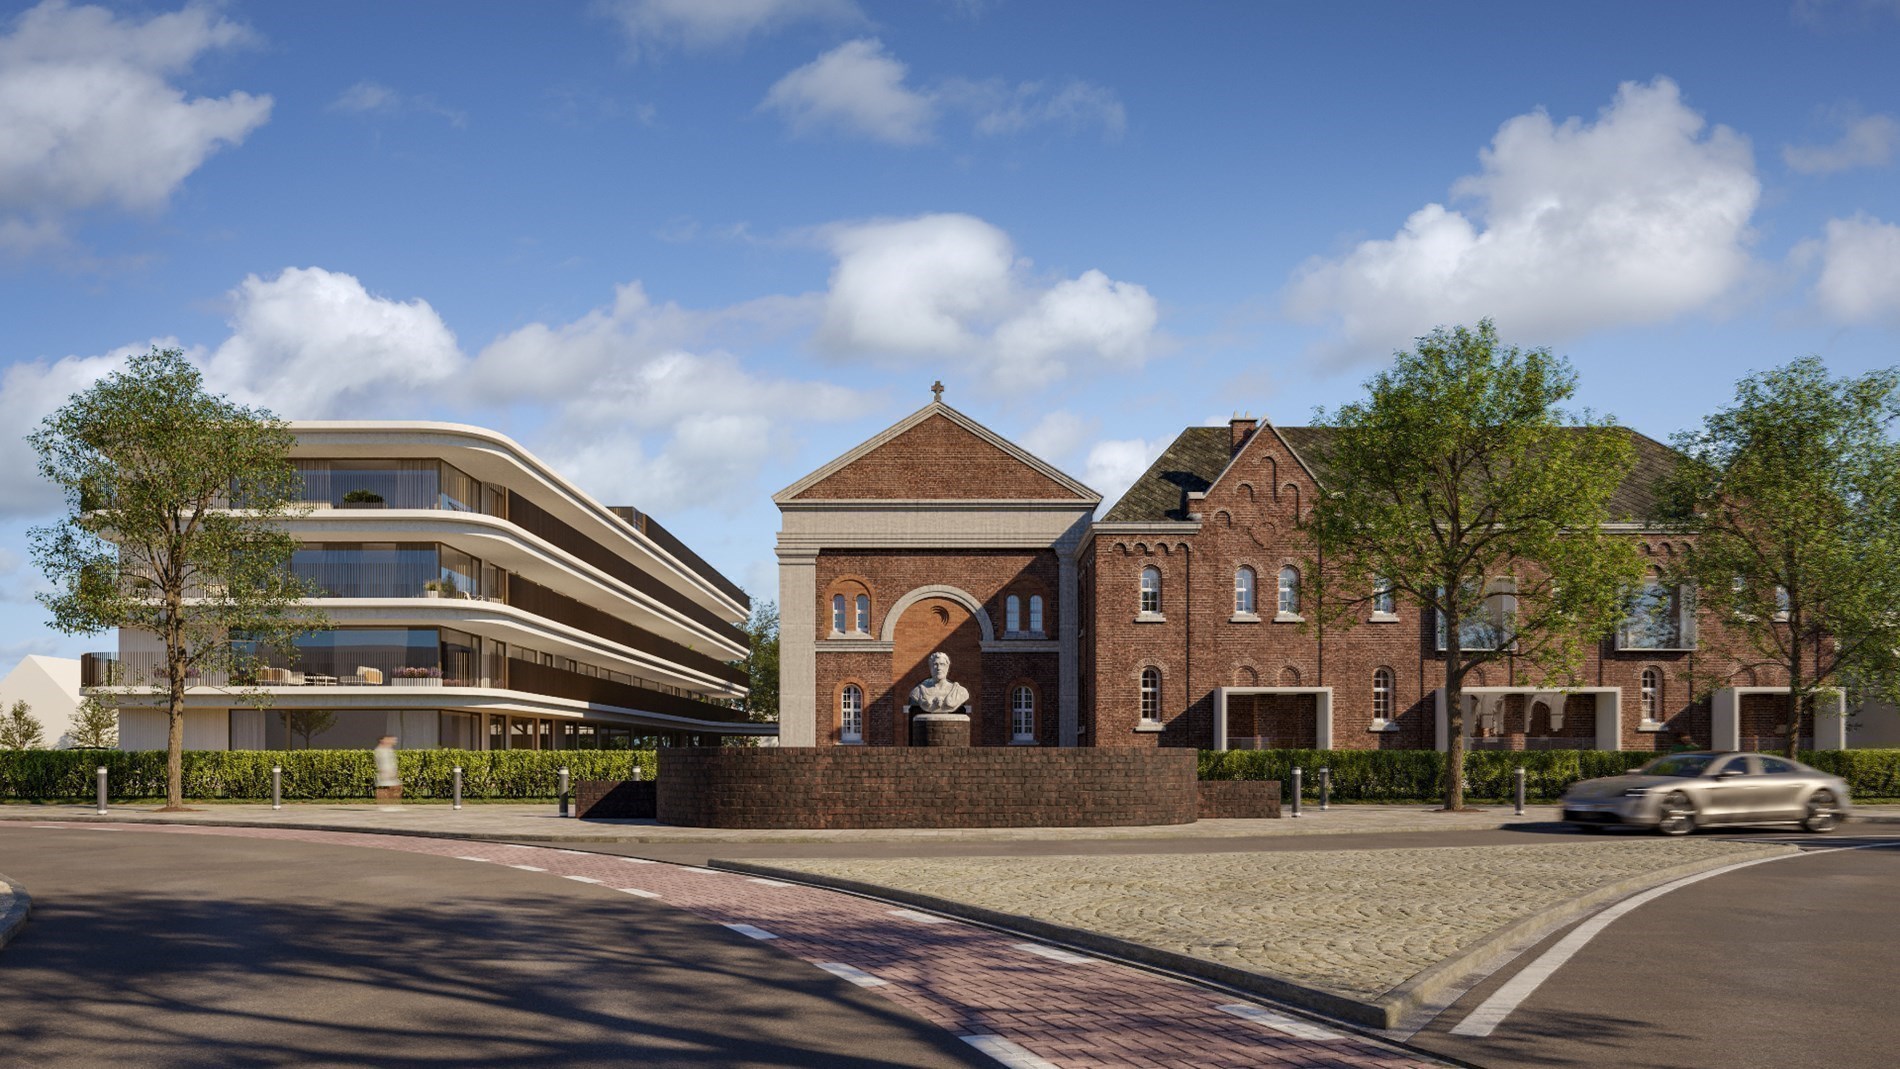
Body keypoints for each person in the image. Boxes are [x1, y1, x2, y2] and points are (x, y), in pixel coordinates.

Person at [373, 735, 403, 809]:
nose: (393, 741)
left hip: (391, 772)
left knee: (396, 788)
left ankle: (395, 805)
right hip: (384, 772)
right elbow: (379, 762)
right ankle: (382, 806)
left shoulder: (389, 750)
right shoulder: (379, 750)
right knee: (383, 789)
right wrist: (383, 771)